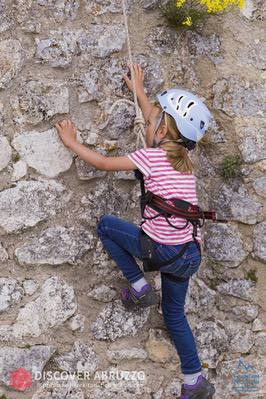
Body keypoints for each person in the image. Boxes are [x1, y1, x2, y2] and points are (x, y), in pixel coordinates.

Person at [55, 63, 215, 399]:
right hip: (190, 254)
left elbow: (101, 163)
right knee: (174, 315)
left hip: (164, 250)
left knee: (106, 226)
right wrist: (140, 92)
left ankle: (141, 287)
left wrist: (72, 142)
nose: (148, 120)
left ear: (161, 131)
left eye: (155, 119)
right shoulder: (184, 161)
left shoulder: (150, 158)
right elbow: (154, 122)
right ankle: (194, 381)